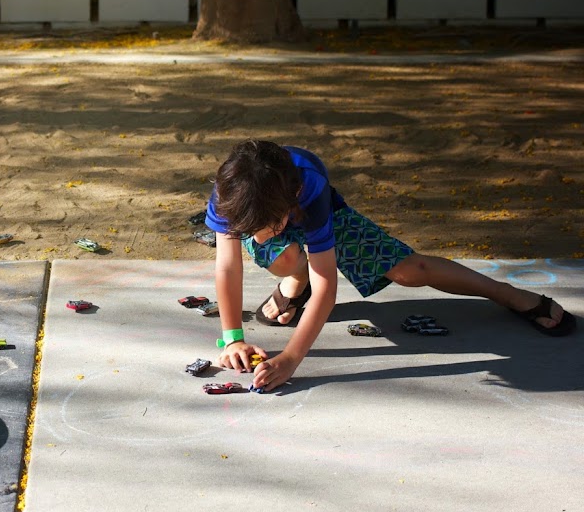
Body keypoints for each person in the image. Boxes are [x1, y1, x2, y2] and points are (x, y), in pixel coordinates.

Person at [205, 139, 576, 393]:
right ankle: (296, 276)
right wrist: (232, 338)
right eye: (252, 232)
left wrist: (290, 358)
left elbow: (328, 287)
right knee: (283, 257)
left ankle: (507, 294)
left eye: (268, 228)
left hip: (317, 214)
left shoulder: (310, 188)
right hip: (276, 216)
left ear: (293, 199)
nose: (259, 237)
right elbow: (228, 266)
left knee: (411, 271)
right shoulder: (230, 196)